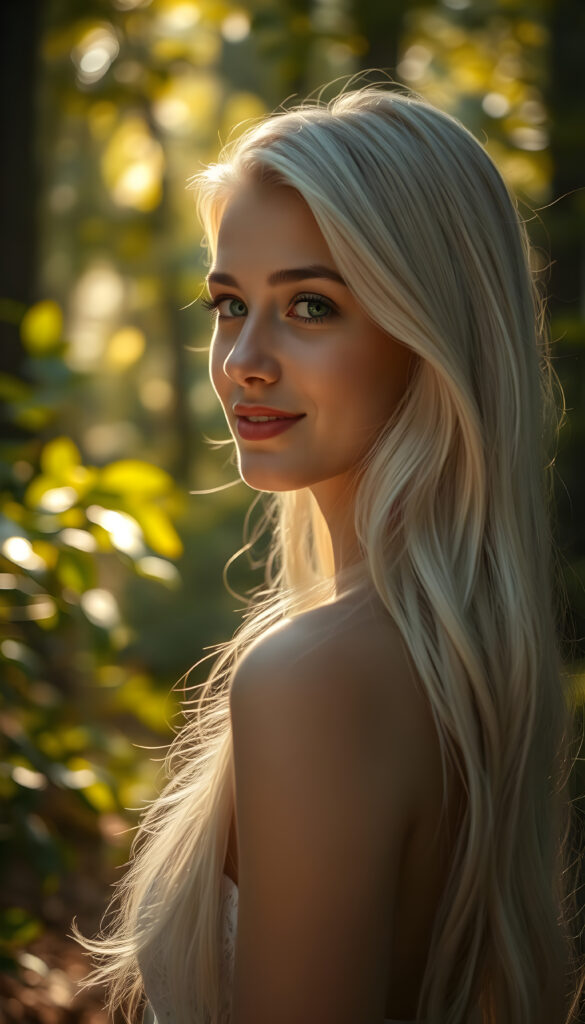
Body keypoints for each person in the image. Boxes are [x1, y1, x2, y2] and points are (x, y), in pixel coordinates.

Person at [77, 79, 584, 1024]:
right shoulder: (465, 655)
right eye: (229, 304)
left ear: (427, 333)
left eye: (310, 306)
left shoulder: (313, 678)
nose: (242, 361)